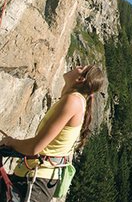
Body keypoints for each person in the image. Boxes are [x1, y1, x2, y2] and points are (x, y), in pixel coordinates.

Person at [0, 64, 104, 202]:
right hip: (33, 179)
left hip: (34, 182)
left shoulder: (73, 101)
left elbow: (35, 147)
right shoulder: (75, 100)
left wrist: (10, 142)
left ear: (80, 79)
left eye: (81, 67)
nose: (76, 66)